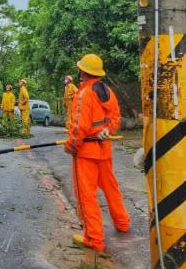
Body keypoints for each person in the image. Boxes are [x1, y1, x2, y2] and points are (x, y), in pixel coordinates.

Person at [65, 53, 130, 252]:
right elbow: (115, 118)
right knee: (111, 188)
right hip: (104, 150)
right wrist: (108, 130)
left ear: (82, 71)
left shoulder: (84, 94)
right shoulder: (106, 91)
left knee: (86, 196)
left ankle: (93, 238)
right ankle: (122, 223)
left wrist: (71, 146)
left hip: (86, 154)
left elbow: (78, 127)